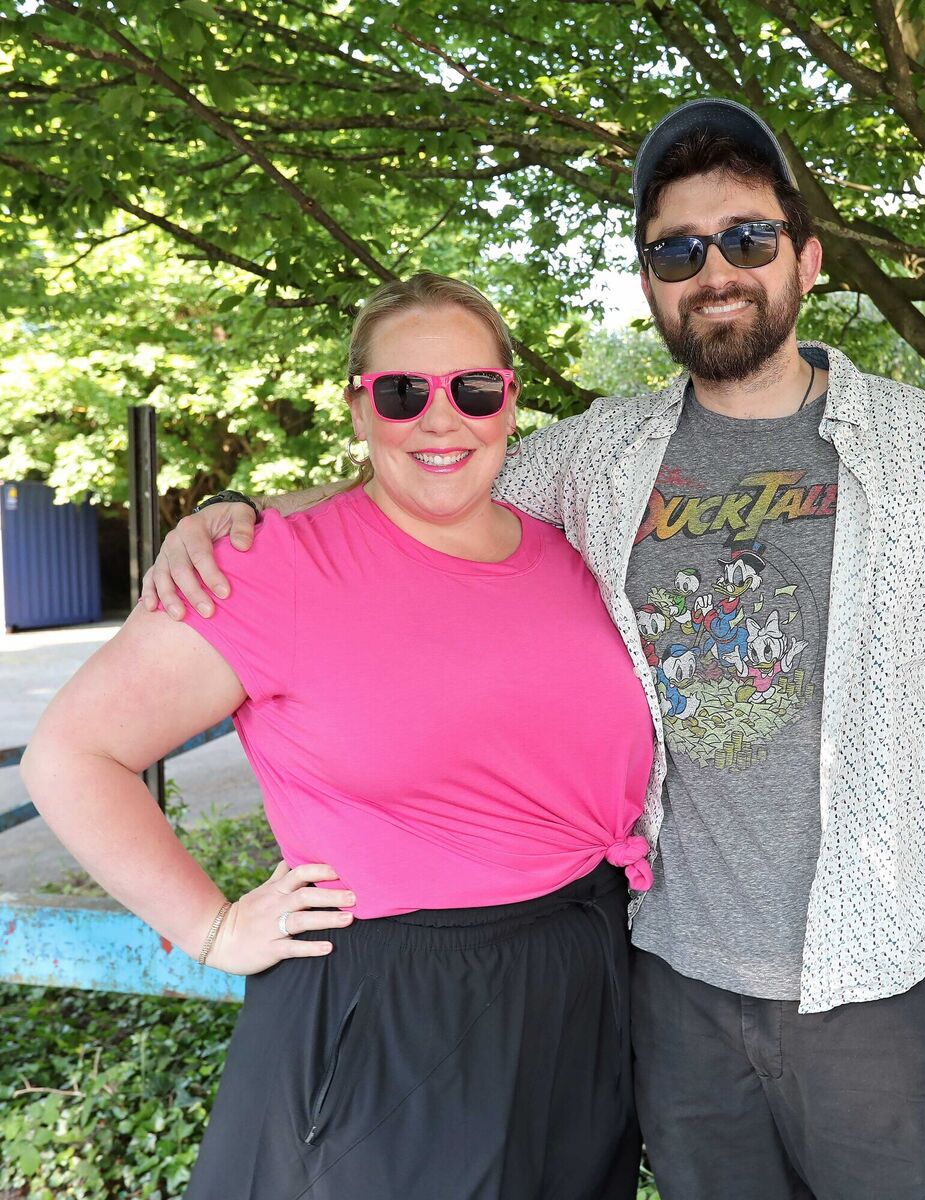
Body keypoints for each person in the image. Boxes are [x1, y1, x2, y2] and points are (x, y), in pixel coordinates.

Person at [139, 101, 925, 1199]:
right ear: (650, 279)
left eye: (746, 238)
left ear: (805, 259)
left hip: (879, 974)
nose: (715, 270)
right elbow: (433, 463)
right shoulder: (604, 455)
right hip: (670, 980)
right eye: (677, 250)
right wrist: (238, 513)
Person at [21, 273, 656, 1200]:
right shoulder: (275, 563)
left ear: (509, 401)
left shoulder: (568, 551)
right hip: (396, 1017)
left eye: (472, 389)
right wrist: (209, 928)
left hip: (585, 980)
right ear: (359, 409)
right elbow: (71, 755)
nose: (442, 421)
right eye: (404, 393)